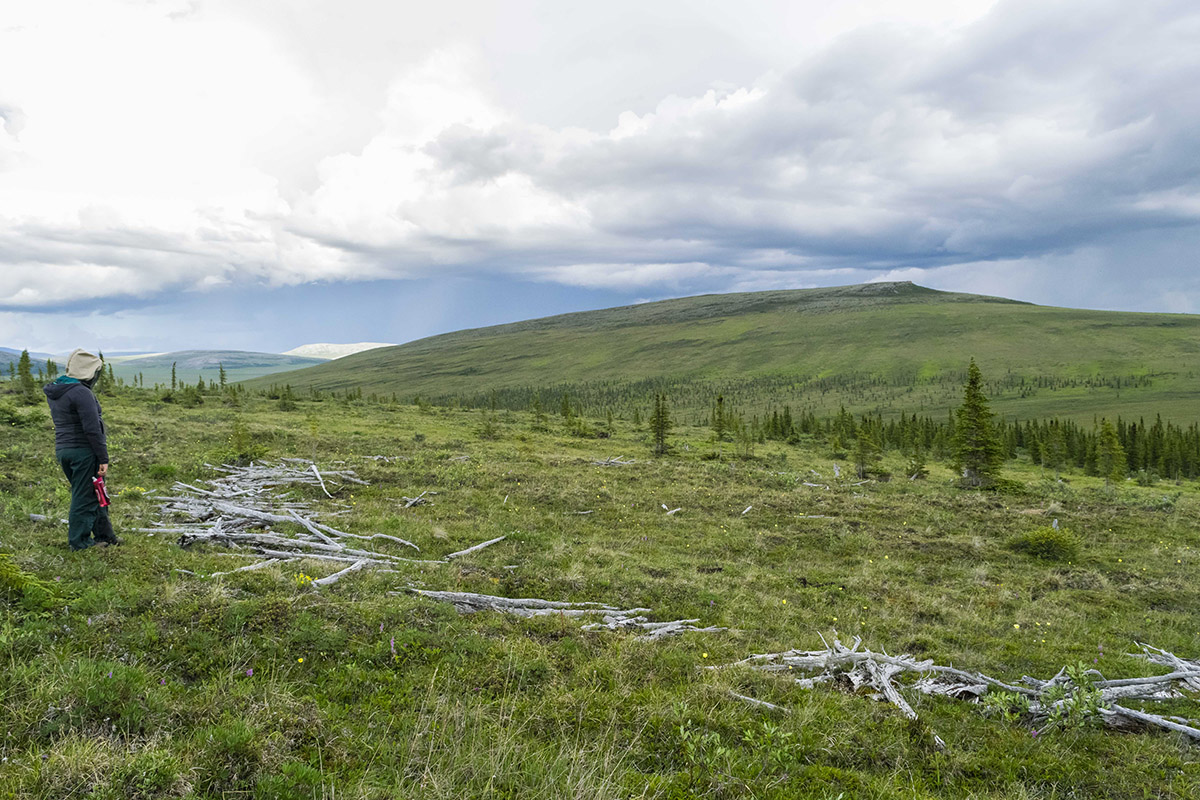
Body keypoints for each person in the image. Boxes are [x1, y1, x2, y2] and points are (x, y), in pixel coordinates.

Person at [43, 348, 120, 550]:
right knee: (84, 497)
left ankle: (106, 535)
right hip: (83, 451)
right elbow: (92, 429)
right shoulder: (81, 392)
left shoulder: (58, 390)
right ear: (89, 371)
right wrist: (103, 458)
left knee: (94, 493)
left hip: (64, 449)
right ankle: (80, 543)